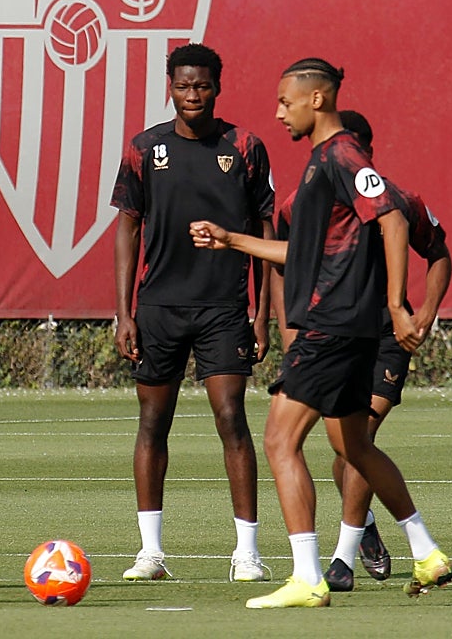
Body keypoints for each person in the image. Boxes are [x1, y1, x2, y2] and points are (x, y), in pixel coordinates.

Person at [191, 57, 452, 609]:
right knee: (352, 443)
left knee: (279, 441)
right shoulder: (319, 166)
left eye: (285, 101)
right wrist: (231, 240)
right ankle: (427, 552)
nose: (277, 111)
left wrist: (398, 307)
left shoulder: (341, 154)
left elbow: (394, 217)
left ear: (318, 99)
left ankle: (308, 576)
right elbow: (299, 253)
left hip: (333, 327)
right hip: (344, 329)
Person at [110, 43, 275, 583]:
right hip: (158, 307)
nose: (192, 95)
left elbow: (265, 234)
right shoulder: (143, 148)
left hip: (225, 308)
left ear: (217, 87)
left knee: (231, 417)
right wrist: (124, 312)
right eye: (183, 85)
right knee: (153, 421)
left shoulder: (245, 147)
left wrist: (262, 315)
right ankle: (150, 553)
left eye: (202, 85)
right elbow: (128, 229)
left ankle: (246, 553)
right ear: (169, 86)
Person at [269, 109, 452, 593]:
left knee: (343, 440)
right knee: (348, 446)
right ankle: (414, 546)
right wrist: (288, 330)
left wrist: (422, 312)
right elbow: (286, 261)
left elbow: (438, 252)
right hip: (329, 331)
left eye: (362, 149)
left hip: (382, 335)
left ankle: (340, 561)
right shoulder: (300, 202)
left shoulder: (396, 199)